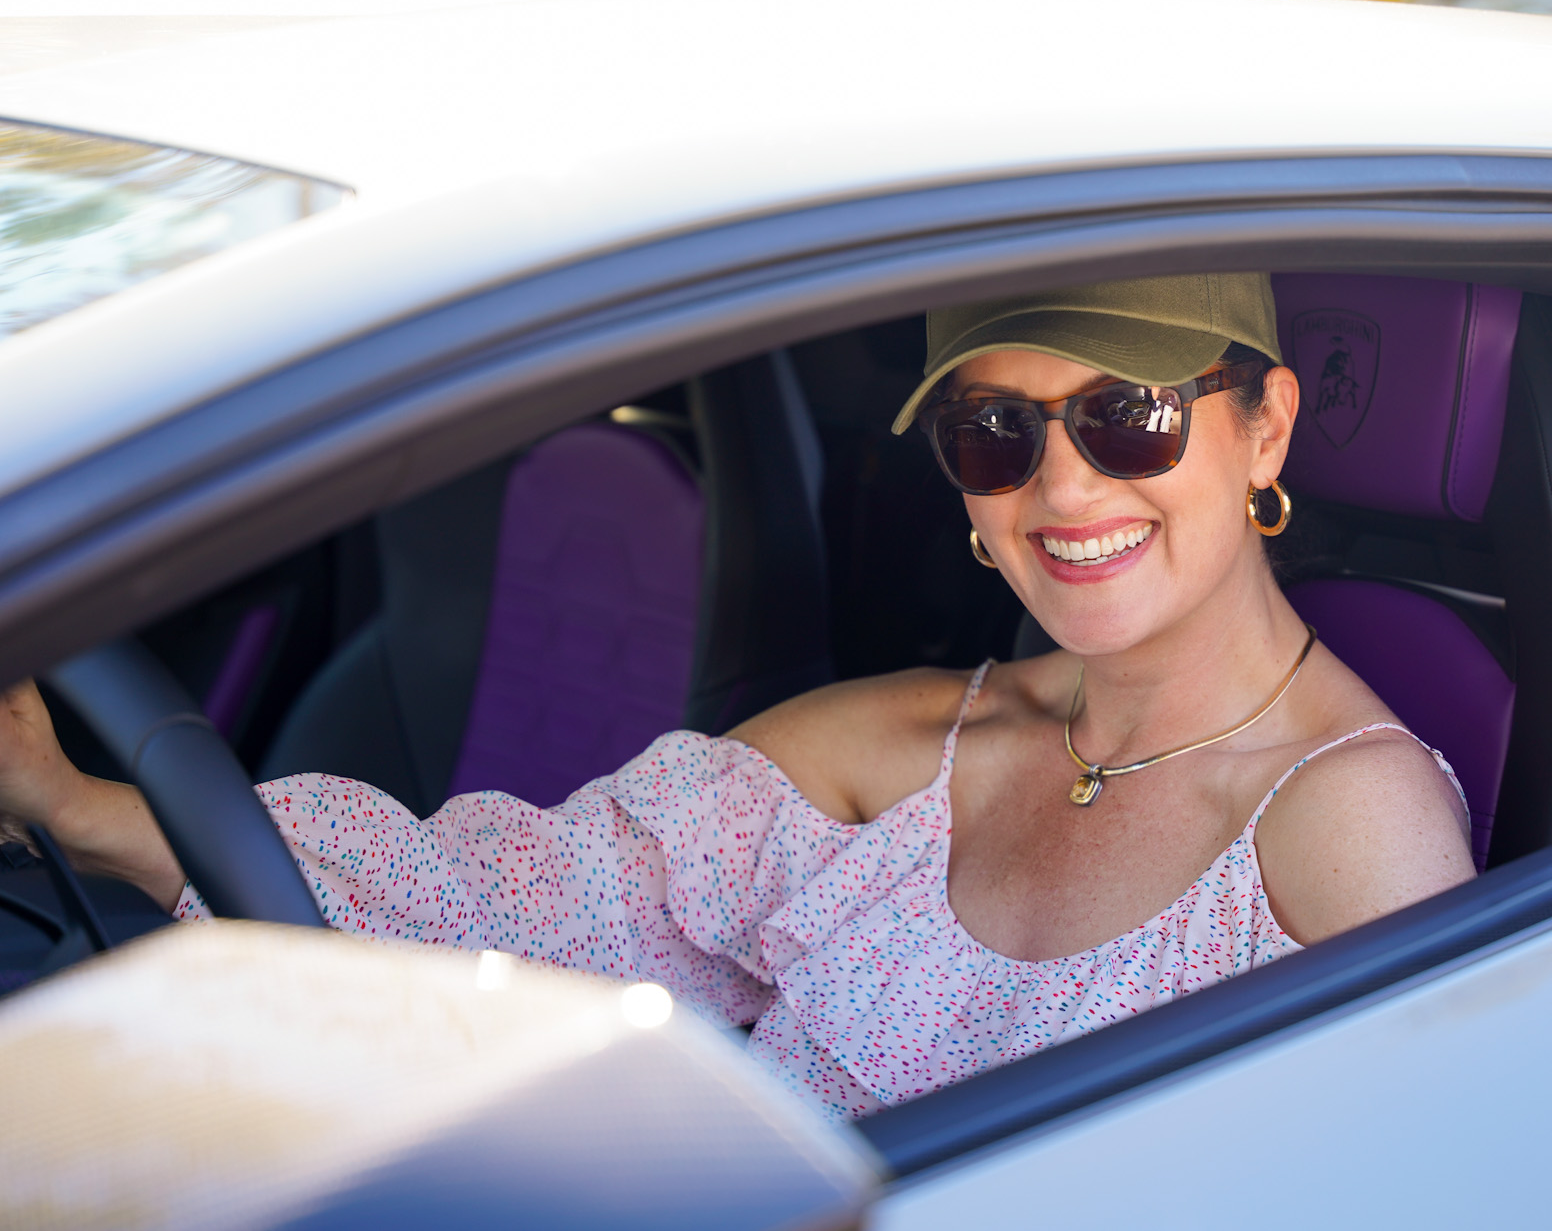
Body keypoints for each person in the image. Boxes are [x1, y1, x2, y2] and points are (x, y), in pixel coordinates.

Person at [0, 273, 1476, 1119]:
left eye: (1128, 416)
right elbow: (512, 902)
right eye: (994, 430)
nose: (1065, 483)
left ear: (1266, 427)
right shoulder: (889, 750)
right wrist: (88, 811)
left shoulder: (1347, 823)